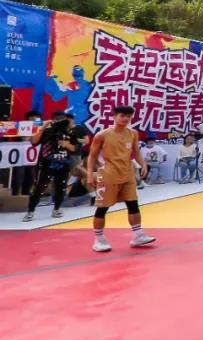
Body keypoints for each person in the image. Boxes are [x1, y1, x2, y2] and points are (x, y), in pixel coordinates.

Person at [85, 106, 156, 252]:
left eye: (128, 116)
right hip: (108, 175)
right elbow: (92, 156)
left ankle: (138, 235)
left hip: (128, 173)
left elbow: (136, 151)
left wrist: (143, 164)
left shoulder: (133, 133)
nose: (126, 119)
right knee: (102, 208)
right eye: (122, 116)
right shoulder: (102, 135)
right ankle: (99, 239)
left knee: (133, 204)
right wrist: (89, 174)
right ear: (114, 116)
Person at [24, 111, 78, 221]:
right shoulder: (47, 131)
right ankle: (30, 211)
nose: (60, 122)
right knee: (39, 188)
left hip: (63, 164)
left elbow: (75, 148)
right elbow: (34, 142)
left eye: (62, 120)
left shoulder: (70, 132)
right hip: (46, 164)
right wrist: (42, 128)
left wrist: (67, 144)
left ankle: (56, 209)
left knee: (61, 187)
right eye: (58, 120)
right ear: (53, 120)